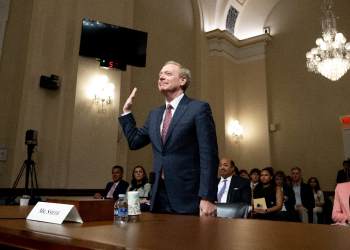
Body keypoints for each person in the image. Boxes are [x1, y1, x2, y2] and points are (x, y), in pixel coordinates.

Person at [119, 61, 219, 216]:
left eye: (167, 74)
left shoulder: (198, 108)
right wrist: (127, 112)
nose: (161, 77)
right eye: (160, 75)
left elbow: (209, 156)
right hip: (158, 195)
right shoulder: (154, 115)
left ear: (183, 80)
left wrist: (208, 197)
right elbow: (134, 141)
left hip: (188, 195)